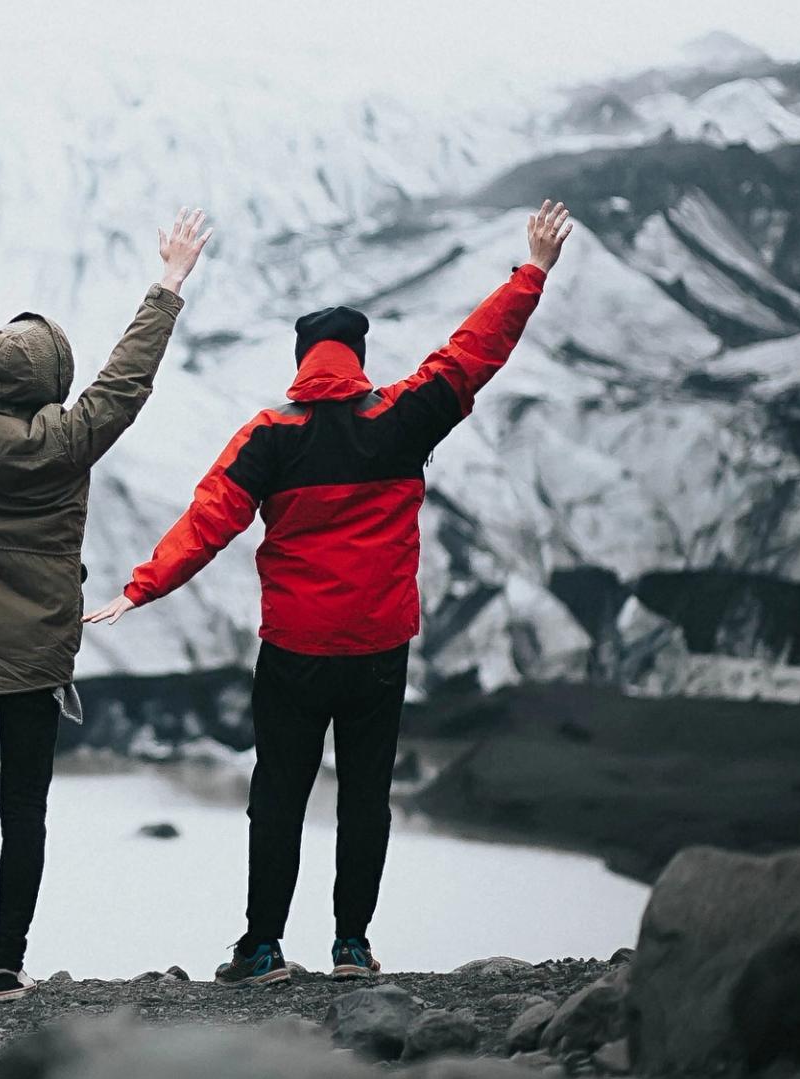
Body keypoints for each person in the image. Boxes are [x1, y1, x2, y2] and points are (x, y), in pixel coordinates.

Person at [84, 201, 576, 986]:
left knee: (277, 796)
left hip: (295, 653)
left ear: (304, 357)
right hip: (379, 650)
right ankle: (352, 945)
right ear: (357, 355)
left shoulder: (270, 432)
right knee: (367, 799)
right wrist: (534, 272)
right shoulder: (404, 416)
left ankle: (262, 948)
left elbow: (208, 522)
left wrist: (142, 590)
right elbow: (475, 352)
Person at [0, 185, 216, 1006]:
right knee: (25, 813)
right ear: (54, 380)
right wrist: (167, 283)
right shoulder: (71, 439)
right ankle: (10, 967)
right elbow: (125, 380)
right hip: (35, 664)